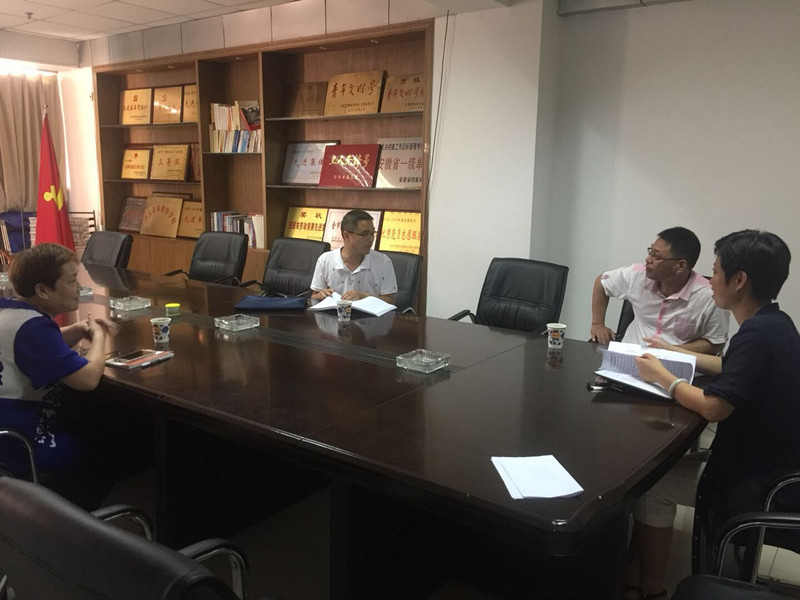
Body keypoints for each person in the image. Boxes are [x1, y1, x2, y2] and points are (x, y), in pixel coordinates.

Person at [623, 230, 800, 599]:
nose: (710, 279)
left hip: (758, 483)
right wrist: (675, 352)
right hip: (772, 464)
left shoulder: (756, 334)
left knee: (652, 487)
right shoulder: (775, 323)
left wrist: (663, 377)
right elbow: (732, 367)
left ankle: (651, 589)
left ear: (739, 280)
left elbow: (713, 407)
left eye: (716, 271)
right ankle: (633, 571)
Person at [0, 243, 120, 507]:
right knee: (111, 446)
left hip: (6, 431)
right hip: (18, 444)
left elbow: (32, 349)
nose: (79, 287)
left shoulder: (10, 313)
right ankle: (77, 521)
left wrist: (75, 330)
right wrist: (99, 337)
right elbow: (88, 380)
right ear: (43, 290)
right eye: (71, 281)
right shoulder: (34, 329)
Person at [590, 226, 728, 354]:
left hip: (675, 363)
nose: (648, 259)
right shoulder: (637, 275)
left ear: (680, 266)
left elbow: (715, 343)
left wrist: (670, 351)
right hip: (630, 356)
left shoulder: (710, 296)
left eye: (656, 256)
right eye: (650, 252)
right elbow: (601, 283)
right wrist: (597, 323)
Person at [311, 209, 397, 304]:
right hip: (333, 313)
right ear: (346, 236)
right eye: (365, 234)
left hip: (369, 313)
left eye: (372, 233)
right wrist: (321, 295)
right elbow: (314, 296)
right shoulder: (325, 260)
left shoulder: (383, 262)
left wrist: (365, 297)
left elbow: (390, 301)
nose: (371, 239)